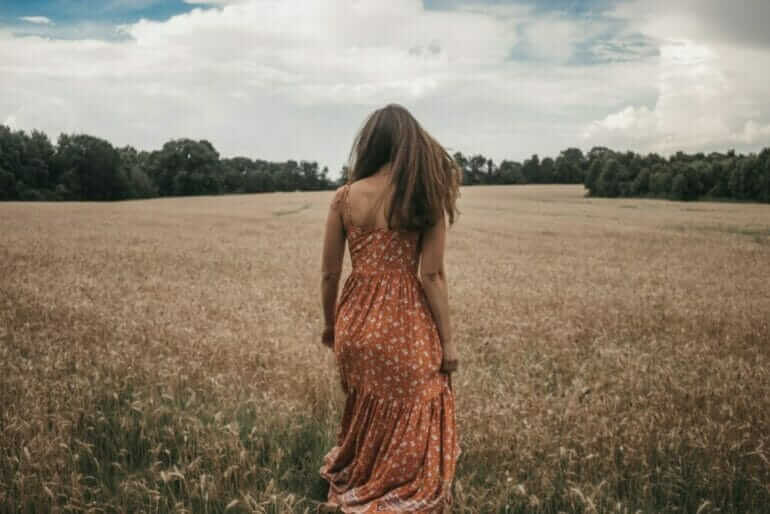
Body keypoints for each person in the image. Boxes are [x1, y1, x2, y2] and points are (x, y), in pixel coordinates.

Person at [318, 103, 462, 513]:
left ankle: (363, 474)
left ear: (371, 144)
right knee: (419, 402)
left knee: (367, 403)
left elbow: (329, 274)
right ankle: (397, 483)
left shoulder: (345, 197)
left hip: (355, 321)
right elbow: (432, 276)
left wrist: (331, 326)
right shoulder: (425, 198)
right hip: (405, 324)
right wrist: (448, 343)